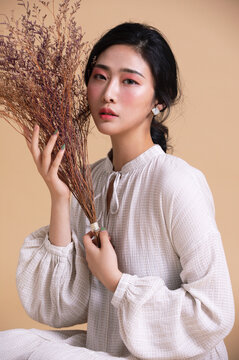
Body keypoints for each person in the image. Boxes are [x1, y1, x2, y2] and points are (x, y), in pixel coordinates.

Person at [0, 22, 235, 360]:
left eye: (129, 81)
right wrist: (60, 197)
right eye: (100, 76)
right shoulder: (90, 179)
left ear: (158, 101)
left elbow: (214, 312)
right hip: (104, 349)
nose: (108, 93)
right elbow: (61, 308)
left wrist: (116, 281)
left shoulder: (176, 183)